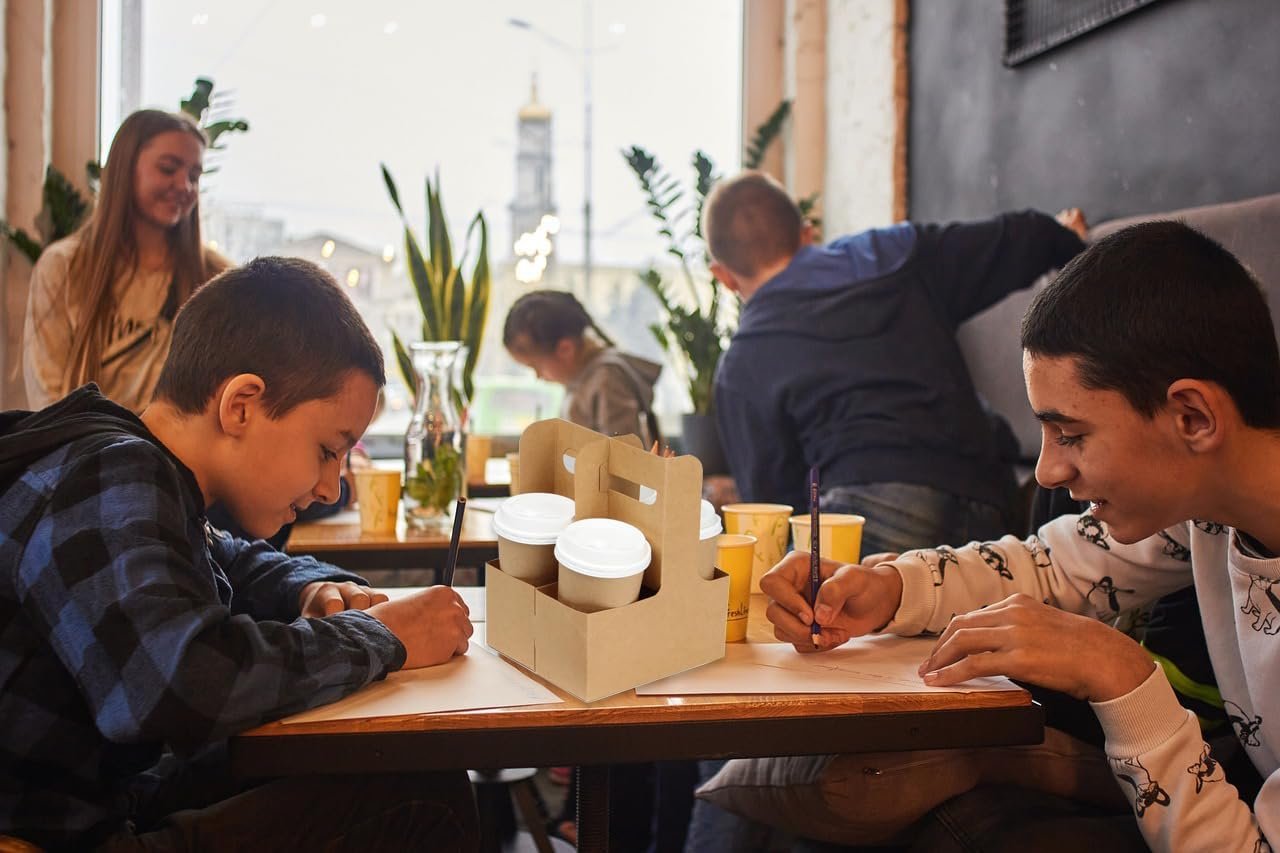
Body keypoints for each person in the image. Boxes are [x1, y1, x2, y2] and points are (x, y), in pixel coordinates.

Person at [762, 221, 1278, 850]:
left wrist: (1121, 677)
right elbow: (1055, 565)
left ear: (1192, 417)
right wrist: (890, 587)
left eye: (1072, 434)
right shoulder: (1205, 516)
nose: (1047, 471)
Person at [0, 257, 478, 850]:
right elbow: (175, 685)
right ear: (242, 405)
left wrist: (312, 588)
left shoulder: (148, 478)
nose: (332, 488)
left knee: (399, 764)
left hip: (107, 801)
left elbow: (234, 559)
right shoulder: (111, 475)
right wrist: (382, 637)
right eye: (328, 450)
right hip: (55, 837)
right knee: (427, 796)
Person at [704, 170, 1087, 555]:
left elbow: (769, 515)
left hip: (864, 519)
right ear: (807, 234)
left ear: (723, 277)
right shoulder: (894, 254)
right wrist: (1071, 243)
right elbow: (1029, 236)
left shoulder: (741, 364)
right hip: (989, 502)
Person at [24, 108, 230, 414]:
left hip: (179, 462)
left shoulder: (217, 278)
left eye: (193, 176)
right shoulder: (64, 266)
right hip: (86, 456)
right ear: (125, 169)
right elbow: (48, 399)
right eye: (168, 168)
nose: (184, 186)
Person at [504, 289, 662, 447]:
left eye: (535, 366)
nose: (538, 376)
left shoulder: (606, 380)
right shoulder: (580, 379)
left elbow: (623, 458)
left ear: (565, 349)